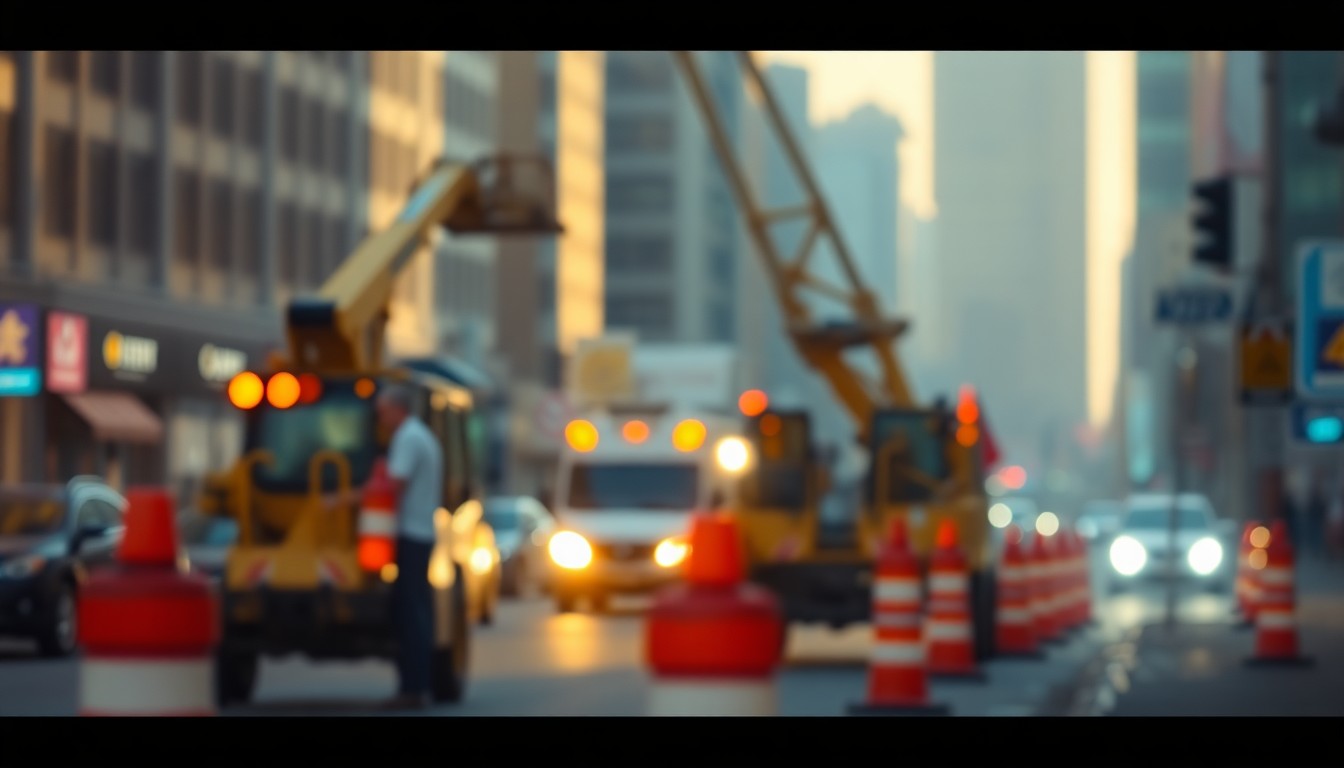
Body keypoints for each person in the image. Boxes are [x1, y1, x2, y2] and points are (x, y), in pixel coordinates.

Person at [374, 383, 443, 709]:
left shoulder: (408, 438)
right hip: (420, 534)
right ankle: (417, 684)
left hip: (411, 535)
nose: (381, 419)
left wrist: (346, 499)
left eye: (384, 411)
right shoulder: (421, 436)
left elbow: (392, 485)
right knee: (416, 611)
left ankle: (412, 687)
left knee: (410, 614)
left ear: (399, 409)